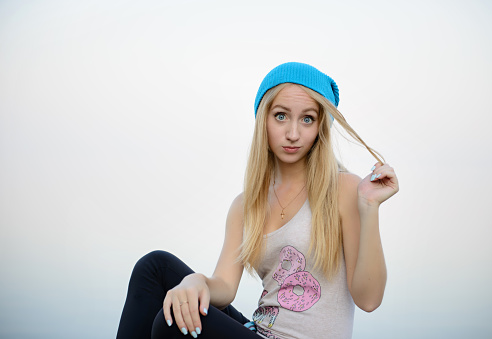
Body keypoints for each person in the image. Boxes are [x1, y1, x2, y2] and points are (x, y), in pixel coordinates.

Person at [116, 62, 399, 339]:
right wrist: (195, 281)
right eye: (280, 116)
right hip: (260, 330)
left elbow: (369, 300)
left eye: (307, 119)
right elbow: (225, 287)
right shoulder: (245, 205)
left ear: (320, 127)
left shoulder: (343, 189)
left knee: (172, 326)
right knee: (154, 268)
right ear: (263, 118)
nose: (293, 133)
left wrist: (370, 207)